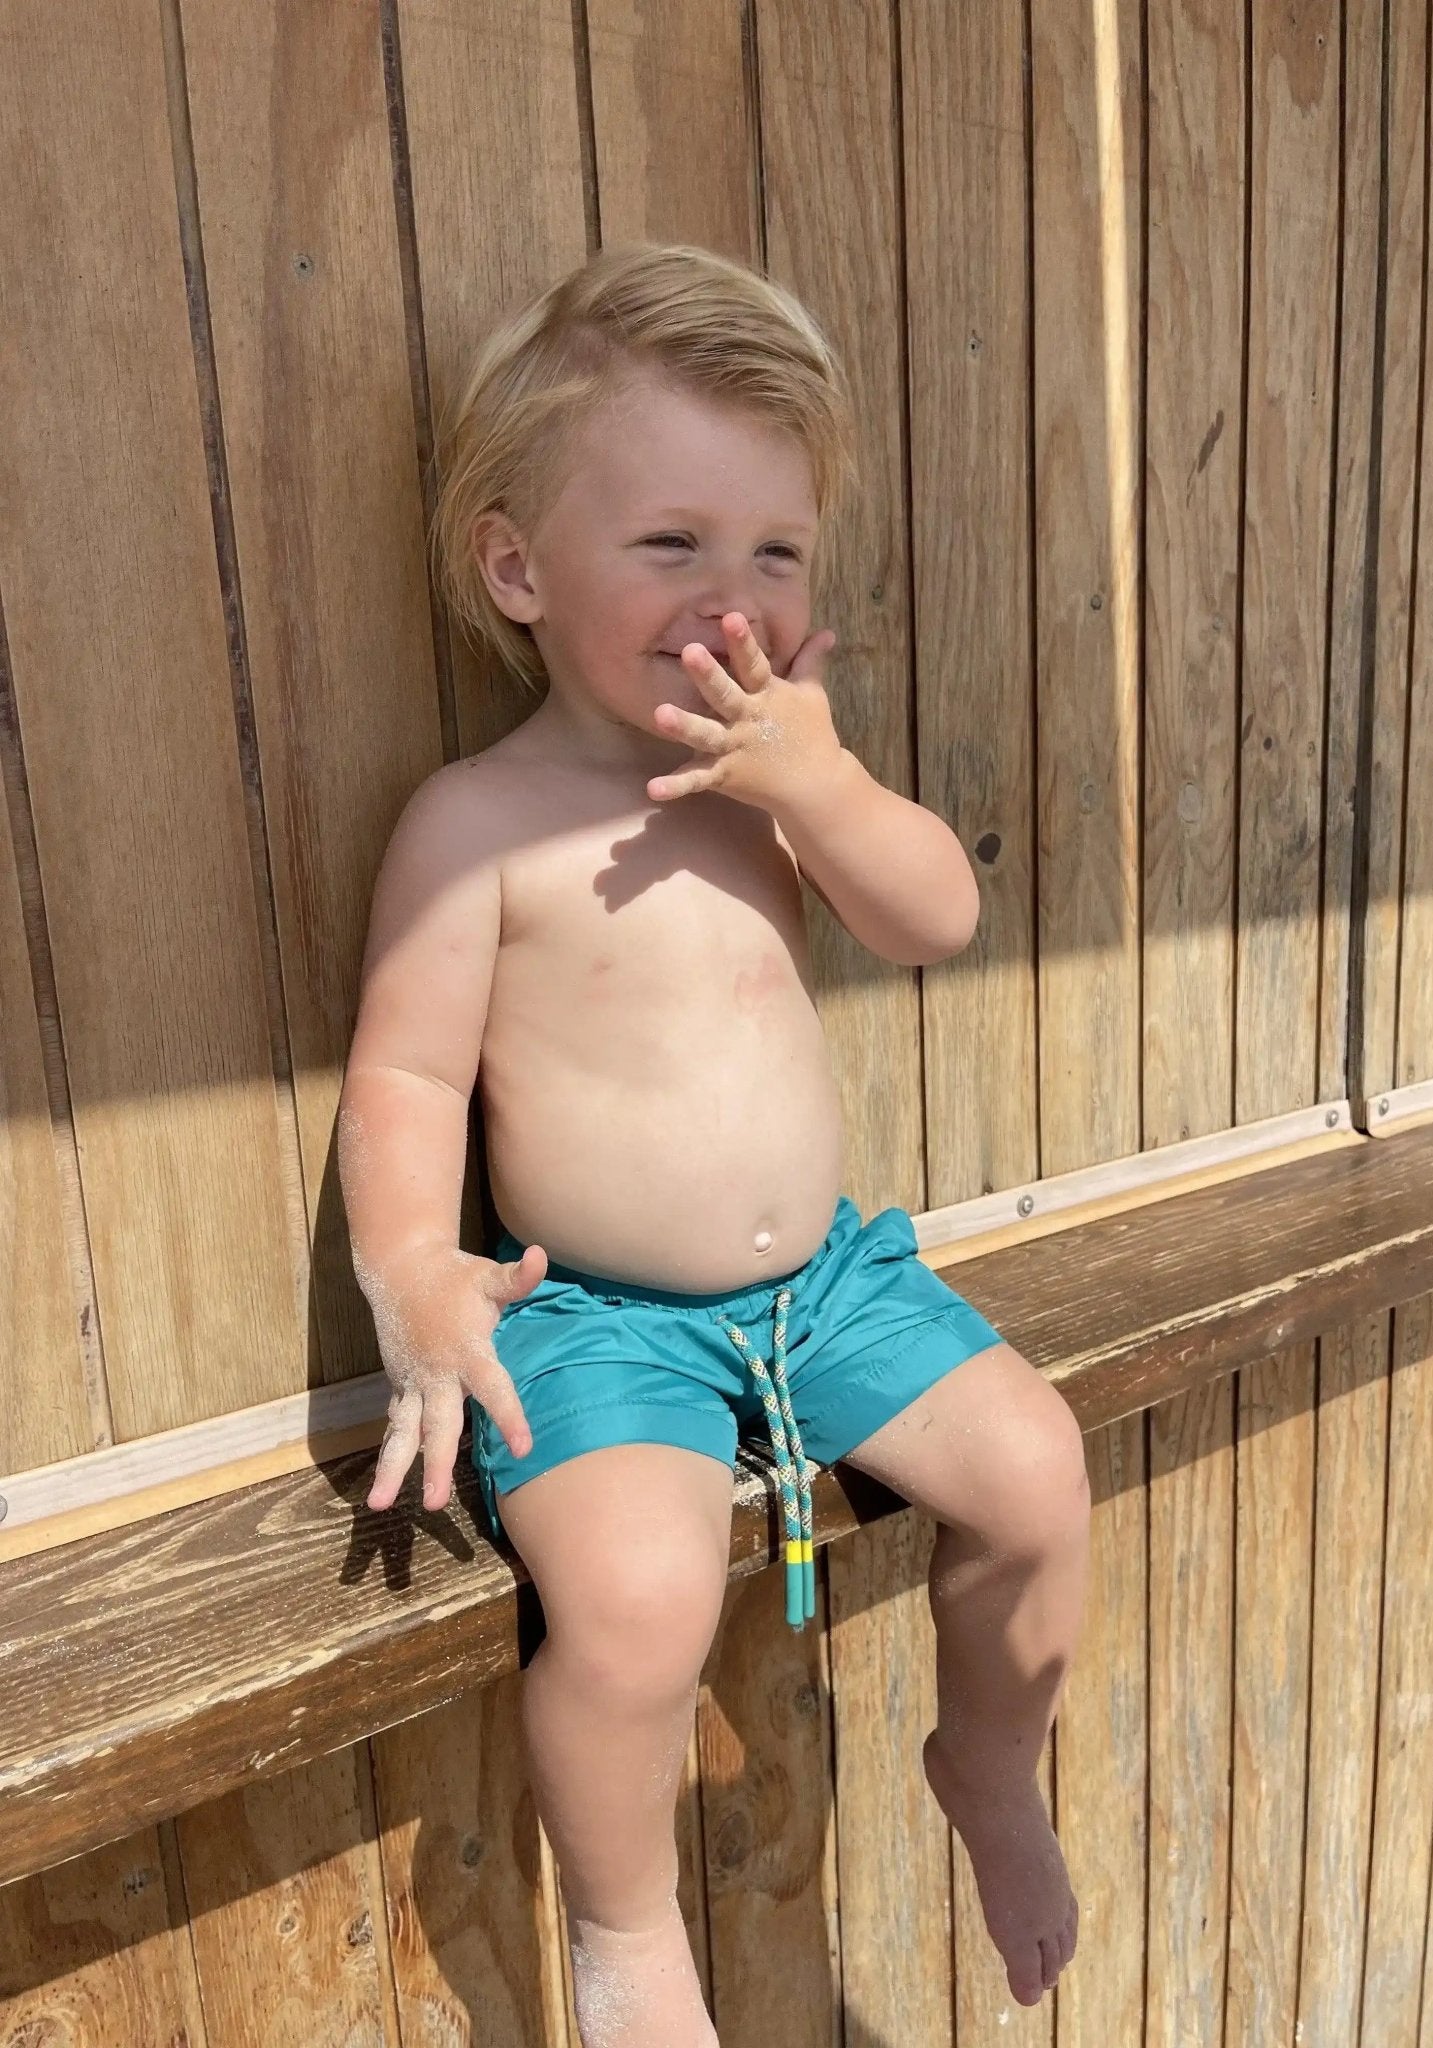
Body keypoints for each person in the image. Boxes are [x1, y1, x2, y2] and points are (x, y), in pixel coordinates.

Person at [338, 241, 1090, 2046]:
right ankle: (626, 1934)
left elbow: (934, 916)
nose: (727, 593)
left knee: (1041, 1477)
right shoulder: (479, 821)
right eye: (671, 545)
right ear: (516, 567)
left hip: (829, 1284)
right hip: (596, 1316)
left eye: (775, 553)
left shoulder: (776, 788)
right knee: (638, 1604)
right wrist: (412, 1273)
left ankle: (989, 1757)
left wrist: (820, 784)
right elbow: (406, 1083)